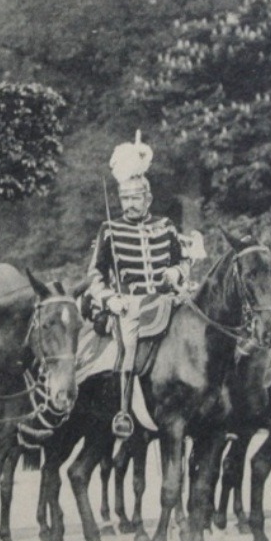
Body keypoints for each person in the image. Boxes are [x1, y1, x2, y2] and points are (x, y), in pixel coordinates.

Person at [85, 132, 188, 438]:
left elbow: (181, 262)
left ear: (148, 199)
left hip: (166, 298)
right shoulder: (110, 229)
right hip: (130, 304)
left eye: (136, 197)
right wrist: (108, 299)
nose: (130, 204)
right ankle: (123, 411)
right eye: (125, 198)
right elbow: (95, 275)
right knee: (128, 345)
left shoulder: (165, 226)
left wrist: (176, 275)